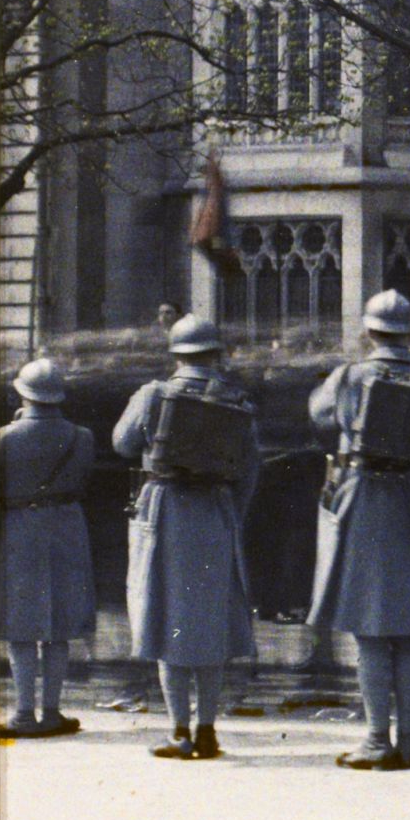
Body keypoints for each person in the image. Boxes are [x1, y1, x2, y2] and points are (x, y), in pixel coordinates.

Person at [112, 316, 261, 761]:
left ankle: (178, 730)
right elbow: (251, 466)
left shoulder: (154, 393)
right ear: (215, 353)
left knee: (165, 618)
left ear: (175, 353)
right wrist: (232, 510)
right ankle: (209, 729)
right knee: (210, 622)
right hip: (215, 512)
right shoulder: (236, 400)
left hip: (164, 511)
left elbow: (121, 442)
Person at [306, 290, 410, 771]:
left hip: (367, 499)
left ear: (369, 330)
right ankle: (408, 737)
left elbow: (321, 416)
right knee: (407, 631)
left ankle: (378, 738)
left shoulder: (353, 375)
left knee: (371, 631)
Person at [0, 359, 97, 739]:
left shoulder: (4, 437)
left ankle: (22, 712)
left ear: (22, 393)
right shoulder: (82, 436)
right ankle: (51, 711)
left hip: (19, 529)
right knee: (58, 624)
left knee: (21, 625)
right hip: (68, 527)